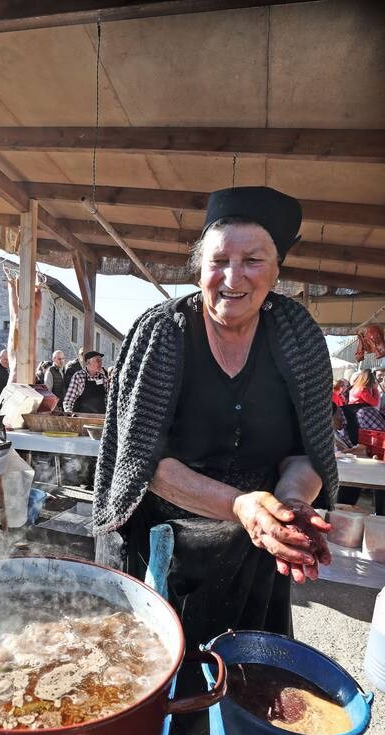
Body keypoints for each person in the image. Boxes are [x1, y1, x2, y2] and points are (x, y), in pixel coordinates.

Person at [93, 185, 336, 650]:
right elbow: (143, 464)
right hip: (161, 541)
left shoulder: (297, 335)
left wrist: (287, 507)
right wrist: (242, 507)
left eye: (253, 260)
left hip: (254, 546)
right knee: (154, 681)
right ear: (199, 267)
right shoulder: (162, 333)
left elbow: (307, 450)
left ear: (277, 269)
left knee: (246, 680)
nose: (232, 277)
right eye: (219, 260)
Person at [63, 350, 109, 415]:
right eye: (97, 361)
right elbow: (68, 401)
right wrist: (70, 415)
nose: (100, 363)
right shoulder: (79, 376)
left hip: (100, 419)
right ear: (88, 362)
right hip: (82, 420)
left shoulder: (103, 378)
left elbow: (108, 399)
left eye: (101, 361)